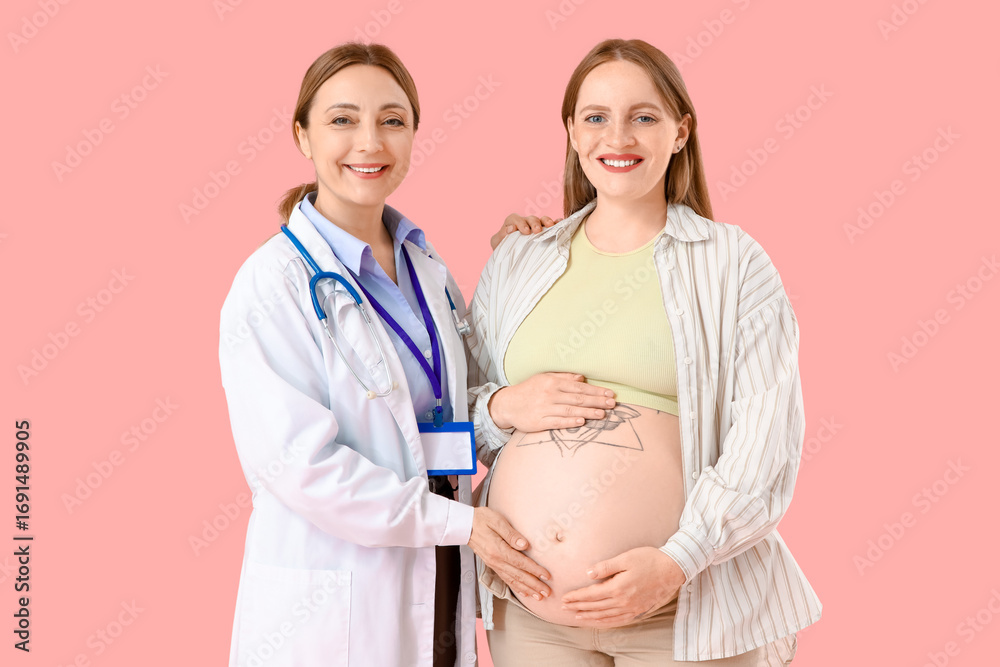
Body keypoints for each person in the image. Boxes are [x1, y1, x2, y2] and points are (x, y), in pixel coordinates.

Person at [468, 38, 822, 665]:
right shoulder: (518, 260)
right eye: (596, 117)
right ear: (572, 132)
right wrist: (499, 408)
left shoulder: (733, 263)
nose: (618, 137)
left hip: (683, 612)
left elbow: (765, 441)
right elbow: (453, 414)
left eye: (644, 117)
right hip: (531, 616)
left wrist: (676, 561)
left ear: (680, 131)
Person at [218, 42, 552, 667]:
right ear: (302, 135)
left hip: (438, 576)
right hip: (337, 604)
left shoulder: (424, 264)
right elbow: (302, 466)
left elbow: (447, 406)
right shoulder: (273, 283)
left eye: (391, 120)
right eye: (342, 120)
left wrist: (516, 263)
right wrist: (459, 525)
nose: (369, 142)